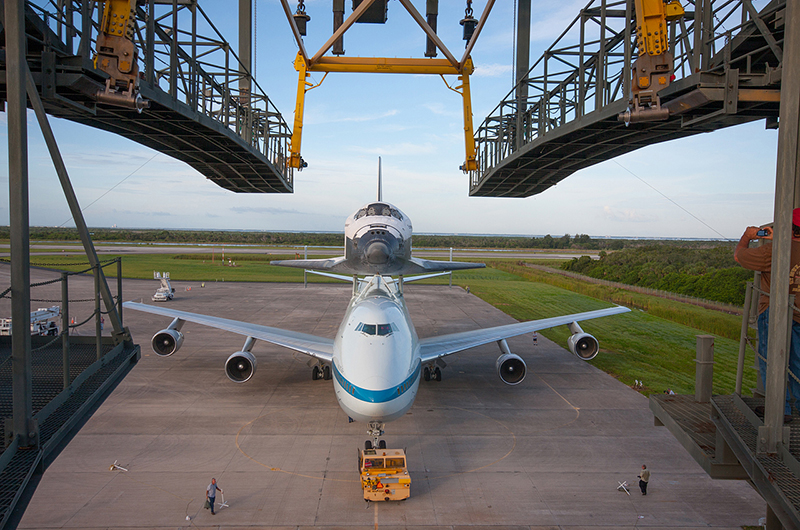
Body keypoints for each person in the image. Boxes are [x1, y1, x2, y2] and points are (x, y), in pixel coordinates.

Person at [734, 212, 800, 423]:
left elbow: (739, 256)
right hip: (798, 313)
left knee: (772, 361)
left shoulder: (776, 251)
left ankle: (779, 411)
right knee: (798, 363)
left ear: (789, 227)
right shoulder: (781, 245)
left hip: (775, 311)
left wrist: (748, 236)